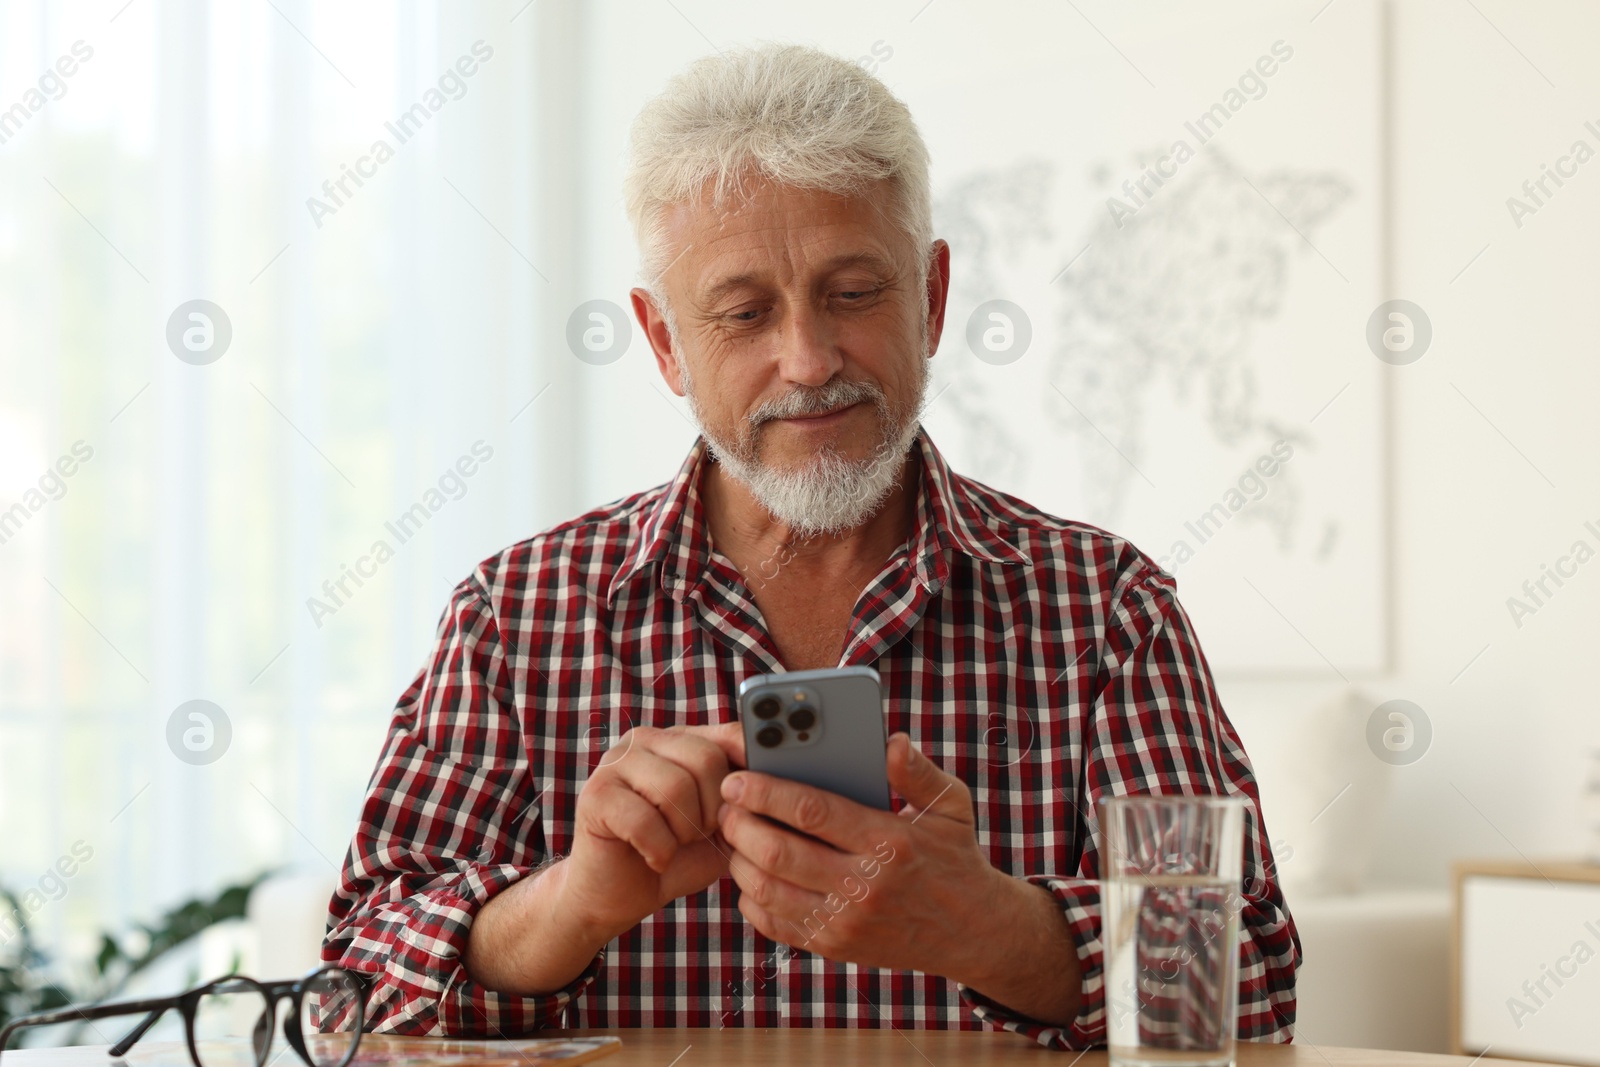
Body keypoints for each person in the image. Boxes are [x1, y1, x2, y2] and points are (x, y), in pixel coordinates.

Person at [324, 42, 1299, 1050]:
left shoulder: (1105, 607)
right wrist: (569, 904)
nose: (808, 359)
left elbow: (1252, 986)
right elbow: (350, 989)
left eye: (852, 292)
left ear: (932, 298)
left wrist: (989, 928)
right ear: (665, 343)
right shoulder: (518, 612)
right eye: (744, 313)